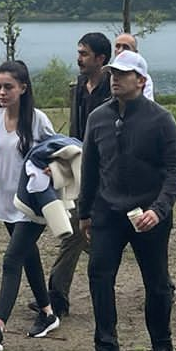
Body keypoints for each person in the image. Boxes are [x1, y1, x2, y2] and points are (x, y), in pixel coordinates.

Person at [79, 51, 176, 351]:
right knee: (99, 275)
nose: (115, 79)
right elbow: (90, 168)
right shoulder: (98, 117)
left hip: (149, 213)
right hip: (107, 213)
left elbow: (175, 169)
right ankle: (106, 347)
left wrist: (160, 209)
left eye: (123, 74)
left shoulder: (160, 119)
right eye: (113, 73)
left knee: (156, 281)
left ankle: (162, 346)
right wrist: (85, 212)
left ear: (140, 80)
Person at [0, 60, 61, 351]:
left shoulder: (38, 120)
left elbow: (60, 154)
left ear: (23, 88)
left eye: (8, 87)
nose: (2, 92)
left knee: (12, 259)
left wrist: (50, 172)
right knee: (28, 256)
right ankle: (48, 313)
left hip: (33, 203)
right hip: (6, 200)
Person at [44, 32, 112, 321]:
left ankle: (161, 283)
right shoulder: (78, 89)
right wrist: (60, 162)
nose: (79, 58)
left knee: (122, 236)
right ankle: (56, 299)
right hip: (81, 172)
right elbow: (74, 134)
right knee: (73, 233)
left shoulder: (114, 89)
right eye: (79, 52)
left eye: (84, 54)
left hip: (110, 174)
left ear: (101, 59)